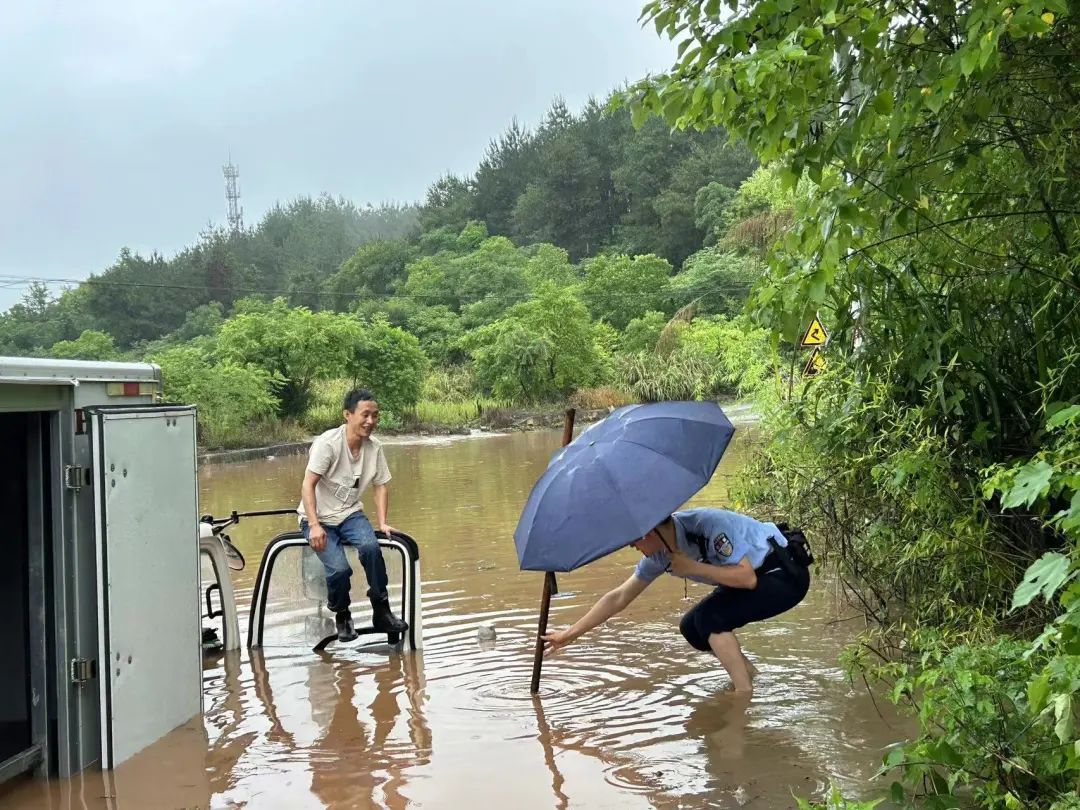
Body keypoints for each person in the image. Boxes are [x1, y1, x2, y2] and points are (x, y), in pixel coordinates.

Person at [542, 507, 811, 695]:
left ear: (650, 532)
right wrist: (568, 634)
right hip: (752, 580)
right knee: (691, 628)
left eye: (633, 541)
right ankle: (750, 675)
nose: (632, 547)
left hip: (784, 575)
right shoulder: (659, 556)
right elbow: (620, 596)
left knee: (710, 619)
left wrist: (691, 567)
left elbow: (747, 579)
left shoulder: (708, 526)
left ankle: (743, 694)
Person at [297, 387, 408, 641]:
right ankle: (342, 614)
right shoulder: (328, 444)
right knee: (338, 570)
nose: (371, 421)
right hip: (318, 518)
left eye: (375, 416)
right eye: (365, 415)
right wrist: (314, 525)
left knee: (371, 548)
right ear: (347, 414)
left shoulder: (375, 448)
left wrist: (382, 522)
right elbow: (307, 484)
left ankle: (381, 610)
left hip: (350, 515)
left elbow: (381, 485)